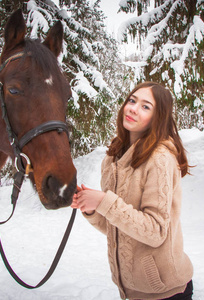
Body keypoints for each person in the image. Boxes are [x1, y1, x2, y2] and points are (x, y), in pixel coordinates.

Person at [71, 82, 193, 300]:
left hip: (165, 292)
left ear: (158, 117)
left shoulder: (160, 159)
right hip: (132, 290)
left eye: (146, 106)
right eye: (132, 100)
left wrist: (102, 202)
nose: (133, 108)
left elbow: (155, 232)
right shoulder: (113, 157)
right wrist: (89, 208)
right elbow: (117, 227)